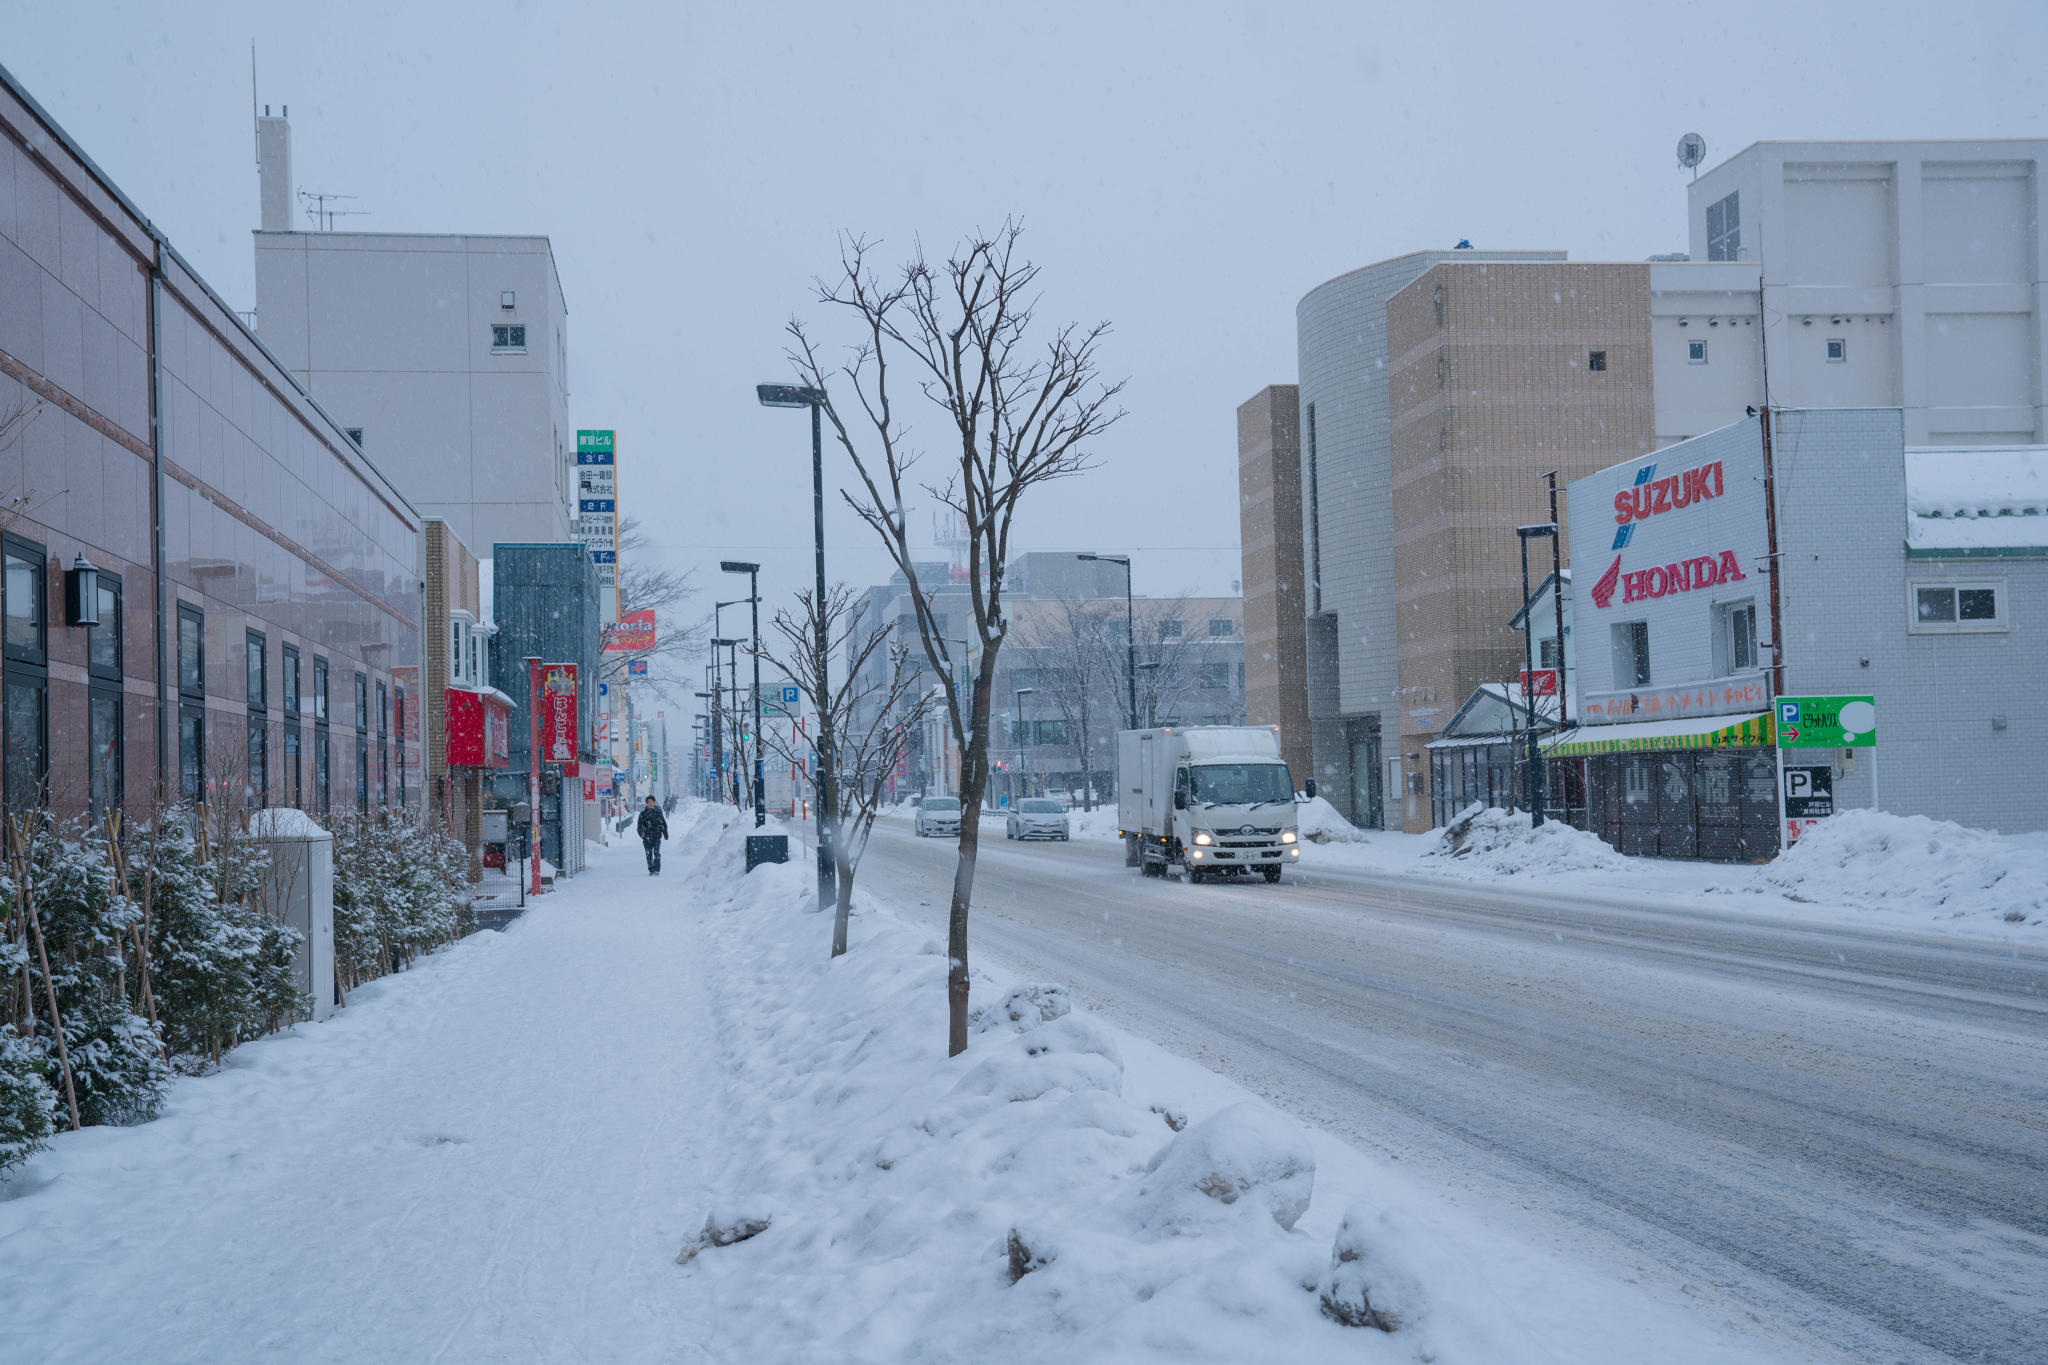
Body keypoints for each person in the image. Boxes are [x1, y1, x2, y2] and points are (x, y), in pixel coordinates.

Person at [637, 796, 669, 875]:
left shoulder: (658, 812)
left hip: (656, 836)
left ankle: (657, 869)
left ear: (654, 803)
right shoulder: (643, 814)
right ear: (646, 803)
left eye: (651, 802)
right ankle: (651, 869)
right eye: (648, 802)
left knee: (657, 853)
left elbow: (663, 823)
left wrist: (665, 833)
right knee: (649, 854)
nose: (650, 804)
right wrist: (642, 834)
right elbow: (640, 825)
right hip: (646, 837)